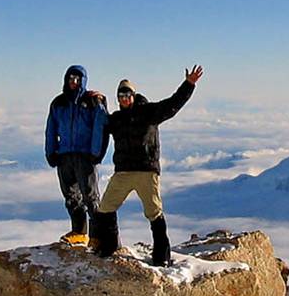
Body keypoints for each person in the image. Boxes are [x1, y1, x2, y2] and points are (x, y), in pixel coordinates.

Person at [92, 65, 203, 265]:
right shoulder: (116, 119)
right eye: (120, 96)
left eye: (127, 94)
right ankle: (109, 247)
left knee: (154, 214)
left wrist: (189, 84)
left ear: (133, 95)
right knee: (105, 208)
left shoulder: (149, 112)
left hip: (146, 171)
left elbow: (173, 104)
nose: (124, 99)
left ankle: (162, 257)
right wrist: (97, 100)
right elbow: (99, 121)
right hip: (123, 172)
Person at [44, 64, 108, 247]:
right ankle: (79, 232)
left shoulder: (92, 101)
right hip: (64, 155)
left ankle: (98, 236)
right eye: (71, 78)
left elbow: (101, 126)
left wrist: (96, 153)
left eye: (77, 79)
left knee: (91, 197)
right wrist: (51, 151)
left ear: (83, 81)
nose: (73, 82)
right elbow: (51, 129)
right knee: (71, 197)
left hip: (84, 156)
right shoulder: (58, 103)